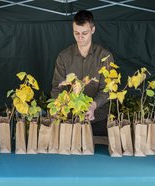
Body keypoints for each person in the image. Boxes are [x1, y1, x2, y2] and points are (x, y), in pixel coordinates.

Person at [51, 10, 115, 138]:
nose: (80, 37)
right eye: (76, 33)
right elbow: (57, 88)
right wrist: (59, 108)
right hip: (69, 119)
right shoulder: (63, 57)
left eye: (84, 33)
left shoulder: (105, 56)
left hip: (97, 120)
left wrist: (93, 106)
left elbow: (107, 90)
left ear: (93, 30)